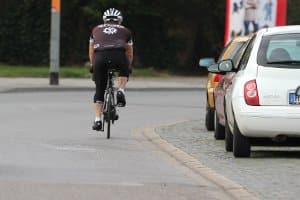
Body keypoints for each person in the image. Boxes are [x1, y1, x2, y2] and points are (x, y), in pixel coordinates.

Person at [89, 8, 133, 131]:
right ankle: (121, 90)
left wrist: (93, 66)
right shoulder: (126, 31)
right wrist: (127, 67)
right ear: (119, 20)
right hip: (118, 56)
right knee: (125, 68)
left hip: (100, 58)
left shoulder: (96, 29)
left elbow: (91, 51)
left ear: (104, 19)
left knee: (99, 89)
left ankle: (97, 120)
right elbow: (129, 53)